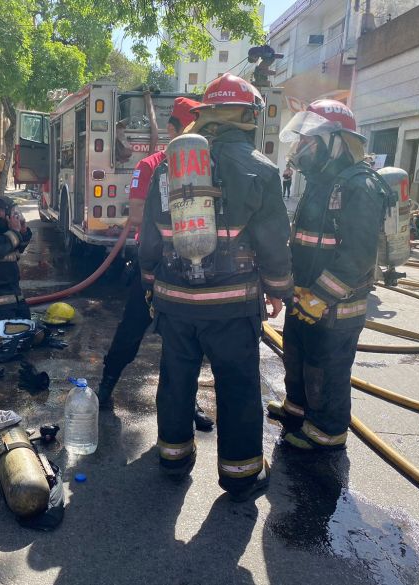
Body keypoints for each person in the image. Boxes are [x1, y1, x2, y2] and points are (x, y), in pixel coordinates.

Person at [138, 73, 293, 501]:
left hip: (175, 303)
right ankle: (241, 475)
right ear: (246, 116)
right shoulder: (261, 169)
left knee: (175, 381)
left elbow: (149, 238)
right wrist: (279, 288)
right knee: (238, 387)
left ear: (207, 115)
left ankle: (173, 457)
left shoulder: (169, 165)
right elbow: (273, 244)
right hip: (231, 307)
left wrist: (150, 282)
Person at [268, 100, 385, 452]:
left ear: (335, 143)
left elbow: (359, 254)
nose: (301, 149)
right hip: (306, 299)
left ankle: (326, 431)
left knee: (326, 368)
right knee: (297, 356)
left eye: (309, 141)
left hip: (335, 306)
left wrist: (322, 296)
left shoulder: (360, 186)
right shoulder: (321, 183)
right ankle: (297, 410)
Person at [96, 97, 214, 431]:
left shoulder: (194, 167)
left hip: (183, 267)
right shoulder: (154, 166)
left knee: (185, 342)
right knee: (138, 330)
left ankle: (185, 404)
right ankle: (105, 387)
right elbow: (136, 215)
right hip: (156, 267)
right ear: (174, 130)